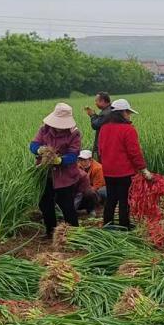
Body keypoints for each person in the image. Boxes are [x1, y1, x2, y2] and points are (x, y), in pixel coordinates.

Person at [97, 98, 153, 229]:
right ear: (122, 113)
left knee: (111, 199)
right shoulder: (128, 130)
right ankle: (124, 226)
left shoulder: (104, 128)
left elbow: (100, 149)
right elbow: (134, 153)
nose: (129, 115)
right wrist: (143, 170)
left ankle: (107, 224)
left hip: (108, 171)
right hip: (124, 172)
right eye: (128, 112)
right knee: (124, 200)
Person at [31, 103, 83, 238]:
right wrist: (39, 150)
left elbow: (74, 154)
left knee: (66, 204)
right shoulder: (44, 129)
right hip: (45, 173)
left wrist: (60, 160)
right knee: (45, 203)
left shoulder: (74, 133)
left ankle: (73, 233)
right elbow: (33, 144)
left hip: (64, 175)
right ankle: (50, 231)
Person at [84, 92, 113, 160]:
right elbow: (101, 122)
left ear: (102, 101)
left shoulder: (106, 113)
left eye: (96, 100)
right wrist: (95, 115)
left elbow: (95, 125)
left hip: (105, 145)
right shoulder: (109, 110)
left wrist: (92, 115)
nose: (95, 103)